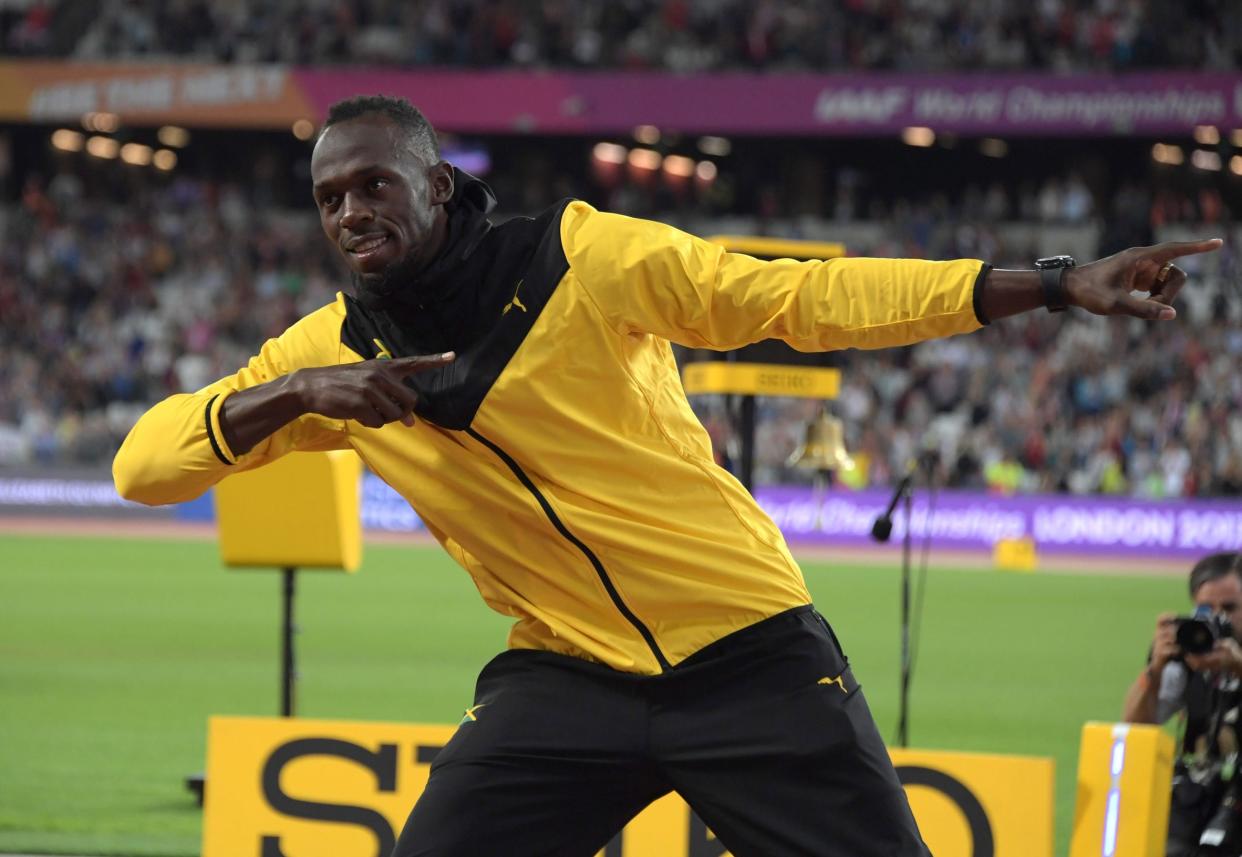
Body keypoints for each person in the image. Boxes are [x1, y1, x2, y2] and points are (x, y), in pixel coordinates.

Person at [114, 94, 1222, 857]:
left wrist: (1056, 282)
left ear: (441, 186)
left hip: (751, 654)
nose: (350, 211)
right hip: (566, 679)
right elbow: (143, 467)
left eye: (373, 184)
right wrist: (292, 398)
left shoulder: (584, 260)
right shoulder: (328, 357)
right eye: (328, 198)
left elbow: (801, 300)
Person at [1122, 552, 1242, 856]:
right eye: (1206, 608)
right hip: (1198, 792)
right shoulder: (1189, 654)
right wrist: (1155, 670)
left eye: (1230, 608)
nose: (1219, 618)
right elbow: (1135, 727)